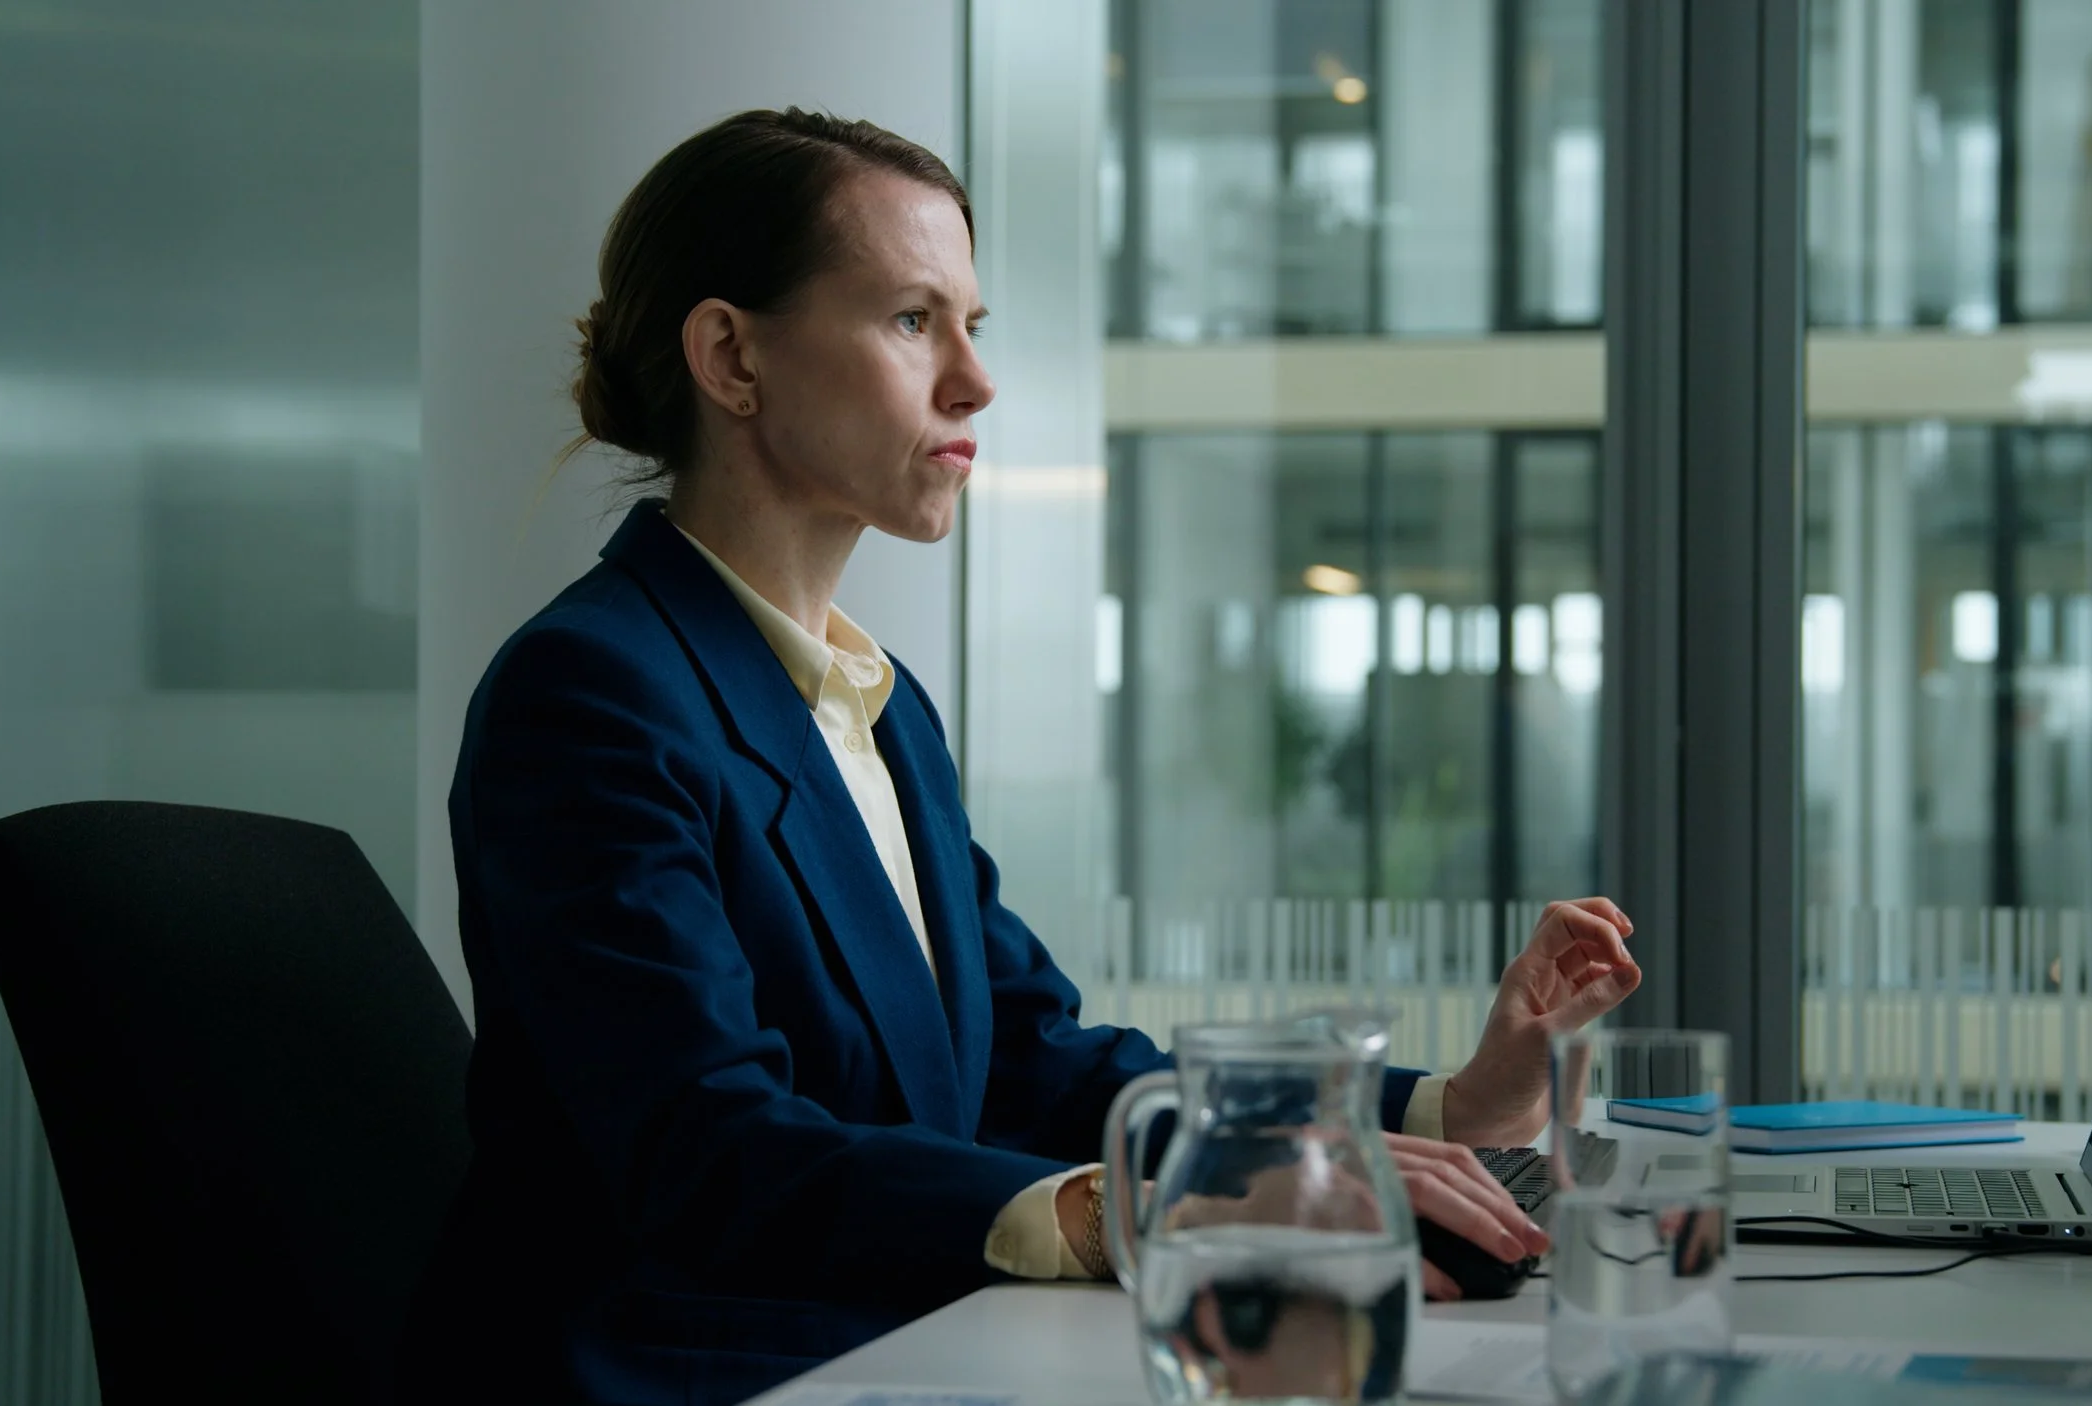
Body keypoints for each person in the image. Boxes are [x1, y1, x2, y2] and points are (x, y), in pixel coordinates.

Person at [401, 107, 1644, 1406]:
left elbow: (1032, 1057)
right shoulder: (593, 693)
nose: (974, 382)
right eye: (911, 320)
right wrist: (1155, 1206)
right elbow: (710, 1151)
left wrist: (1443, 1108)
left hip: (888, 1342)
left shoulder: (878, 706)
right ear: (731, 355)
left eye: (973, 326)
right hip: (697, 1369)